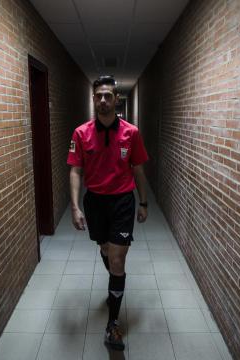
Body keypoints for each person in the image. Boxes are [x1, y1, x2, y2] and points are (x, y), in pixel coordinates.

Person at [67, 75, 149, 351]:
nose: (103, 100)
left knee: (117, 260)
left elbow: (137, 168)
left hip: (123, 202)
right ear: (93, 99)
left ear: (116, 99)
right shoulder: (81, 133)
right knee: (104, 250)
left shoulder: (131, 133)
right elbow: (76, 169)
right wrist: (76, 206)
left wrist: (144, 202)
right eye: (98, 95)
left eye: (108, 95)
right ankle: (113, 276)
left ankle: (113, 324)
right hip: (96, 203)